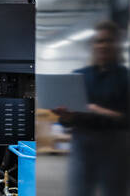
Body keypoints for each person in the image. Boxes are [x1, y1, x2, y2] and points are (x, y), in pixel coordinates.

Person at [53, 21, 129, 196]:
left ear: (116, 45)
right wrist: (65, 116)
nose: (103, 45)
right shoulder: (80, 75)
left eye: (108, 41)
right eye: (99, 41)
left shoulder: (125, 77)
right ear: (93, 45)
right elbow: (67, 121)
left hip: (115, 145)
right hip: (82, 144)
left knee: (114, 191)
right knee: (78, 191)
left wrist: (96, 109)